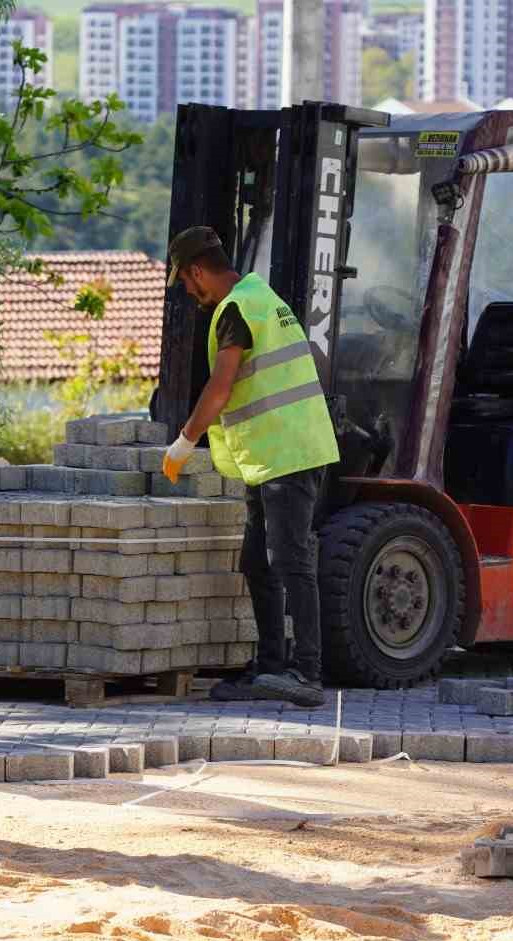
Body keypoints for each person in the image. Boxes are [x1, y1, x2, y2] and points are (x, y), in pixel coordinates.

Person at [161, 226, 339, 708]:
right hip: (274, 454)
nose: (187, 291)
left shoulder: (236, 309)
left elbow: (221, 388)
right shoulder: (261, 297)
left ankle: (307, 673)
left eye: (185, 281)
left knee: (290, 559)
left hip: (288, 453)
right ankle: (272, 667)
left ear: (198, 271)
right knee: (256, 562)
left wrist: (184, 442)